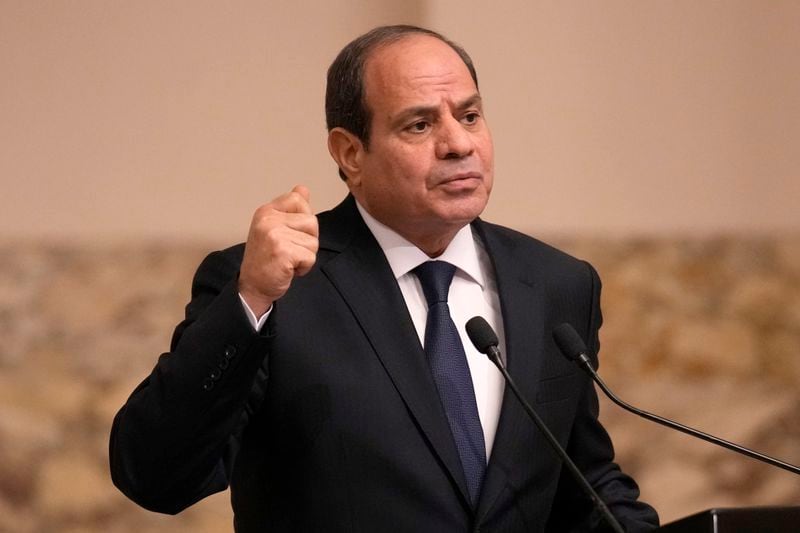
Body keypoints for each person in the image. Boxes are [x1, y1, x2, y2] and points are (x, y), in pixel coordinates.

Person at [110, 25, 659, 532]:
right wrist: (250, 302)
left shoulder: (557, 284)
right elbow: (156, 475)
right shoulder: (275, 286)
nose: (459, 144)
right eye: (419, 125)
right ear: (350, 152)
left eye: (469, 116)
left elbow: (579, 482)